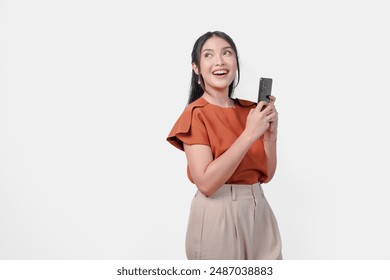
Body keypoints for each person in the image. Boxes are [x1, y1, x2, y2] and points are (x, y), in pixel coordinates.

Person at [167, 31, 282, 260]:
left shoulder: (250, 111)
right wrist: (249, 134)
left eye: (227, 53)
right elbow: (207, 184)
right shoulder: (196, 114)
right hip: (218, 213)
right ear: (196, 67)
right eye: (208, 55)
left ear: (236, 62)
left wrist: (270, 134)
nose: (219, 61)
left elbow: (266, 174)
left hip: (259, 211)